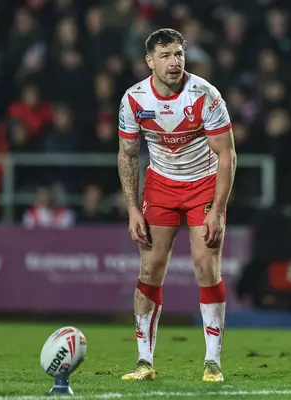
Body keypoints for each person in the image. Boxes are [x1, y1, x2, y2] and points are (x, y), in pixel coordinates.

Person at [117, 28, 236, 382]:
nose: (174, 62)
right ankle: (144, 362)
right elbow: (127, 154)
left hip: (203, 185)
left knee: (205, 266)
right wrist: (132, 208)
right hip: (161, 186)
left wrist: (217, 209)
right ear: (149, 61)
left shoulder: (205, 95)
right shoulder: (134, 99)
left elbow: (227, 156)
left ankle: (212, 362)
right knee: (150, 269)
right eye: (166, 55)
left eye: (179, 54)